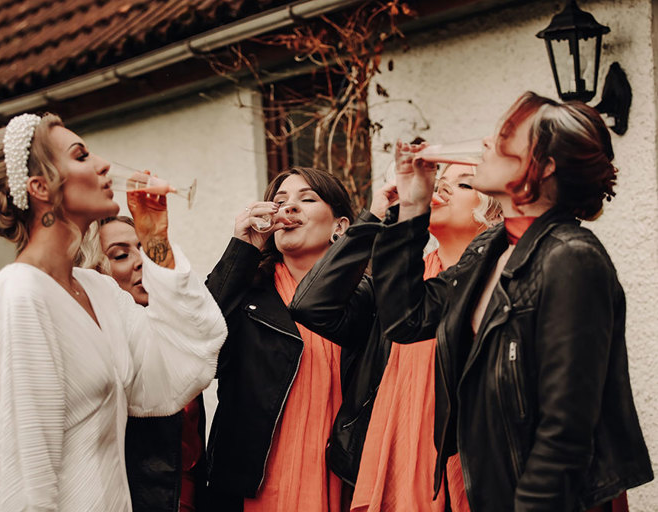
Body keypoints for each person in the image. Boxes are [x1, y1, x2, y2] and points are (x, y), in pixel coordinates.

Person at [368, 92, 653, 511]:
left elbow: (567, 426)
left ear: (541, 167)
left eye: (503, 137)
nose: (485, 143)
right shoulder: (491, 247)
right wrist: (411, 206)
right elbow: (406, 317)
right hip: (498, 490)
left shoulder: (571, 257)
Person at [0, 113, 227, 511]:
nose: (103, 164)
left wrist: (155, 239)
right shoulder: (20, 294)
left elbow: (176, 373)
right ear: (40, 187)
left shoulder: (100, 290)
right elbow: (21, 476)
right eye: (81, 155)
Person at [289, 163, 501, 512]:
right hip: (387, 476)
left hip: (472, 477)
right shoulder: (398, 291)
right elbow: (313, 306)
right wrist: (375, 217)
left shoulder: (499, 286)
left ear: (493, 211)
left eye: (462, 184)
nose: (441, 189)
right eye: (439, 182)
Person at [205, 166, 355, 512]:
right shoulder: (246, 293)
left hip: (342, 478)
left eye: (307, 199)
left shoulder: (364, 300)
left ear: (340, 227)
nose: (289, 208)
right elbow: (198, 341)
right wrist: (242, 250)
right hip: (255, 486)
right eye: (280, 201)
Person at [79, 215, 207, 512]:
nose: (141, 262)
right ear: (94, 272)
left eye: (145, 250)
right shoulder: (102, 347)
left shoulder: (172, 330)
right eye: (121, 255)